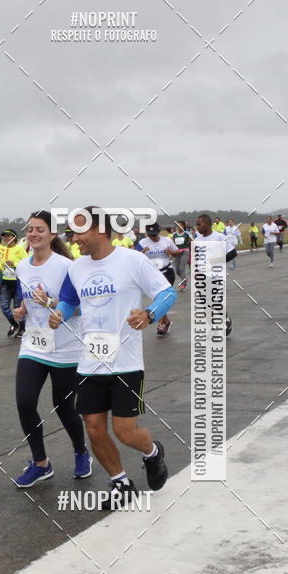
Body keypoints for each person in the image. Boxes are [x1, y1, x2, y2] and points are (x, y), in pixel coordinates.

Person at [48, 207, 176, 509]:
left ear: (101, 231)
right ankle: (120, 482)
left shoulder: (132, 260)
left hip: (127, 362)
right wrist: (60, 314)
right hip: (90, 362)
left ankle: (152, 452)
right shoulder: (76, 268)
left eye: (80, 232)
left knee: (125, 432)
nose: (74, 238)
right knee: (93, 426)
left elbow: (167, 293)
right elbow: (69, 300)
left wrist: (149, 314)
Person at [10, 211, 90, 487]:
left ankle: (81, 452)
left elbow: (80, 307)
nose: (33, 234)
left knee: (64, 406)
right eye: (30, 229)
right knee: (25, 402)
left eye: (40, 229)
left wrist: (53, 303)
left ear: (53, 234)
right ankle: (41, 463)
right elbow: (26, 302)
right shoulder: (21, 267)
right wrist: (20, 311)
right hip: (33, 343)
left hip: (65, 348)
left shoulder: (68, 267)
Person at [194, 214, 234, 336]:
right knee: (204, 303)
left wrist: (217, 260)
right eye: (197, 224)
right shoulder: (197, 240)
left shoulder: (220, 237)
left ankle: (225, 320)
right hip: (202, 276)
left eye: (199, 224)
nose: (197, 227)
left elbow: (233, 253)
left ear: (207, 224)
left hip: (217, 276)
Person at [138, 224, 178, 335]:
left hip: (167, 272)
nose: (153, 237)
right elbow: (134, 256)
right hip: (152, 275)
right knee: (157, 299)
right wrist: (142, 252)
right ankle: (166, 321)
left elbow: (176, 253)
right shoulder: (142, 243)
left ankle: (162, 324)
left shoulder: (167, 240)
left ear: (159, 232)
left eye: (155, 235)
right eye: (151, 236)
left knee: (162, 297)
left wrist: (170, 251)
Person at [0, 229, 28, 337]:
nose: (6, 238)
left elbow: (27, 262)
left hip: (17, 282)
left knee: (17, 307)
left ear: (14, 237)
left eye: (8, 236)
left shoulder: (19, 249)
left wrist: (14, 264)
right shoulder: (3, 250)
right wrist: (0, 267)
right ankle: (14, 324)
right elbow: (2, 263)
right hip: (6, 281)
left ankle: (22, 328)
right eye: (4, 236)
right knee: (3, 305)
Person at [171, 221, 192, 289]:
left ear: (183, 226)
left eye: (181, 225)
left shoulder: (187, 233)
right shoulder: (174, 234)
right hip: (177, 253)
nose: (179, 227)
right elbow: (172, 245)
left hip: (185, 252)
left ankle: (183, 284)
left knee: (182, 268)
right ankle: (184, 278)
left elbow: (192, 243)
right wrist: (172, 253)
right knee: (177, 270)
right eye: (178, 225)